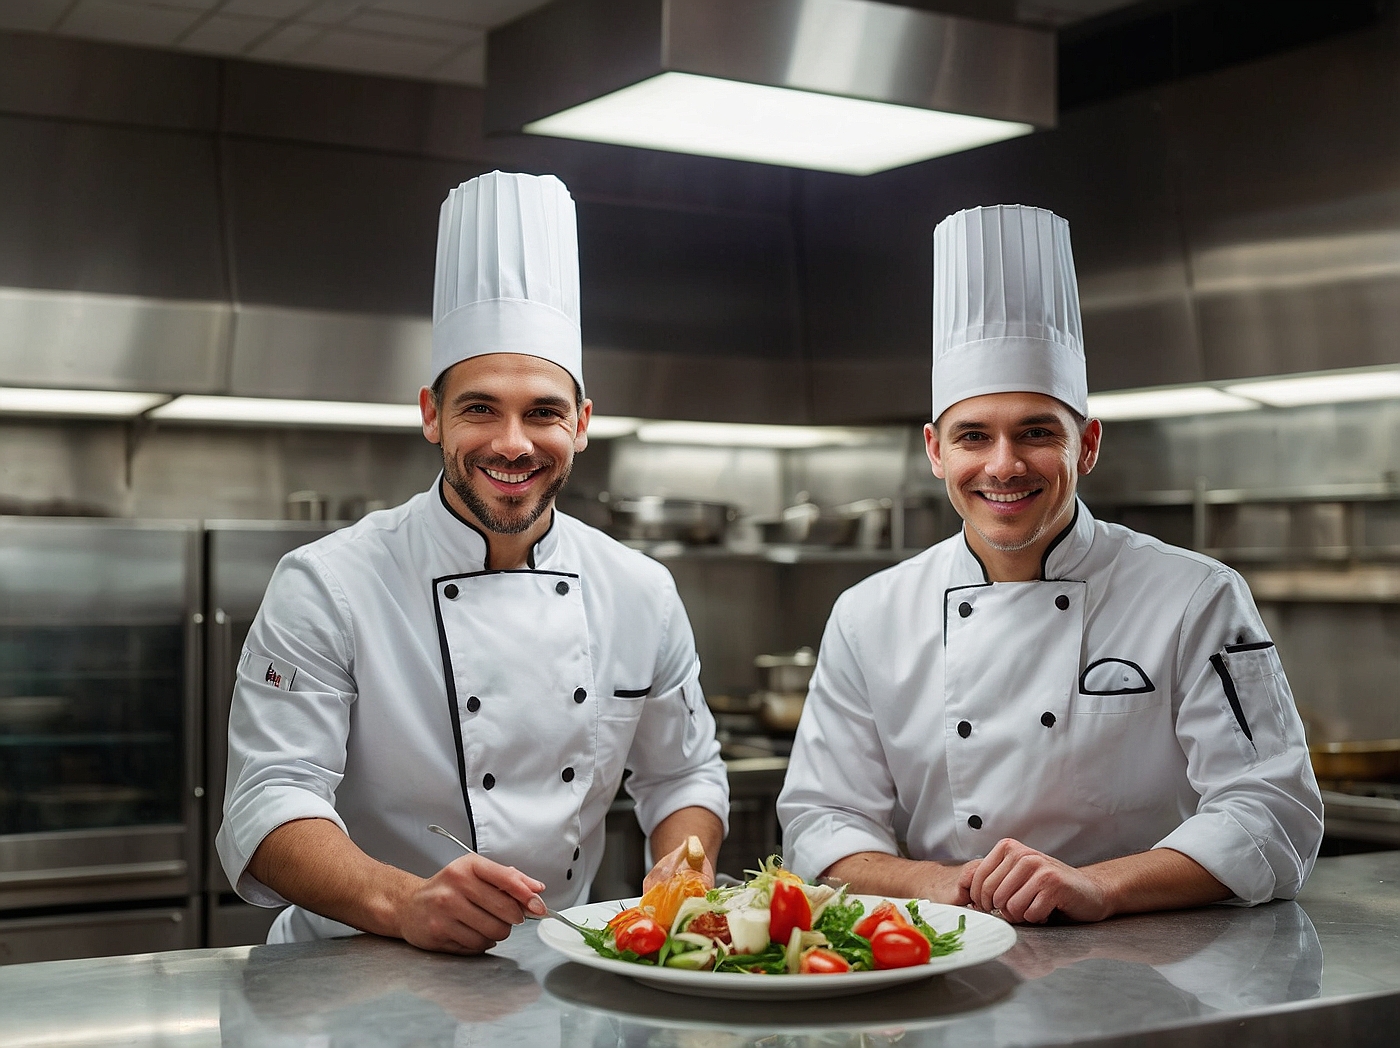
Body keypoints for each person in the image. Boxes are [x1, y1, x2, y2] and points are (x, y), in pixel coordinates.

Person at [218, 171, 728, 952]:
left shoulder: (639, 591)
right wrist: (403, 903)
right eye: (480, 408)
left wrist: (682, 877)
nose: (514, 443)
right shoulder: (329, 584)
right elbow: (270, 799)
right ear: (431, 414)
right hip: (348, 974)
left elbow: (685, 777)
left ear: (583, 424)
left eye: (544, 413)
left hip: (556, 972)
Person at [777, 204, 1322, 925]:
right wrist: (933, 882)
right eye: (974, 436)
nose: (1004, 466)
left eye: (1036, 432)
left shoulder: (1196, 596)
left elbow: (1274, 810)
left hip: (1151, 968)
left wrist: (1101, 886)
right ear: (937, 451)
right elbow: (821, 819)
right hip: (942, 964)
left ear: (1087, 445)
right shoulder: (869, 614)